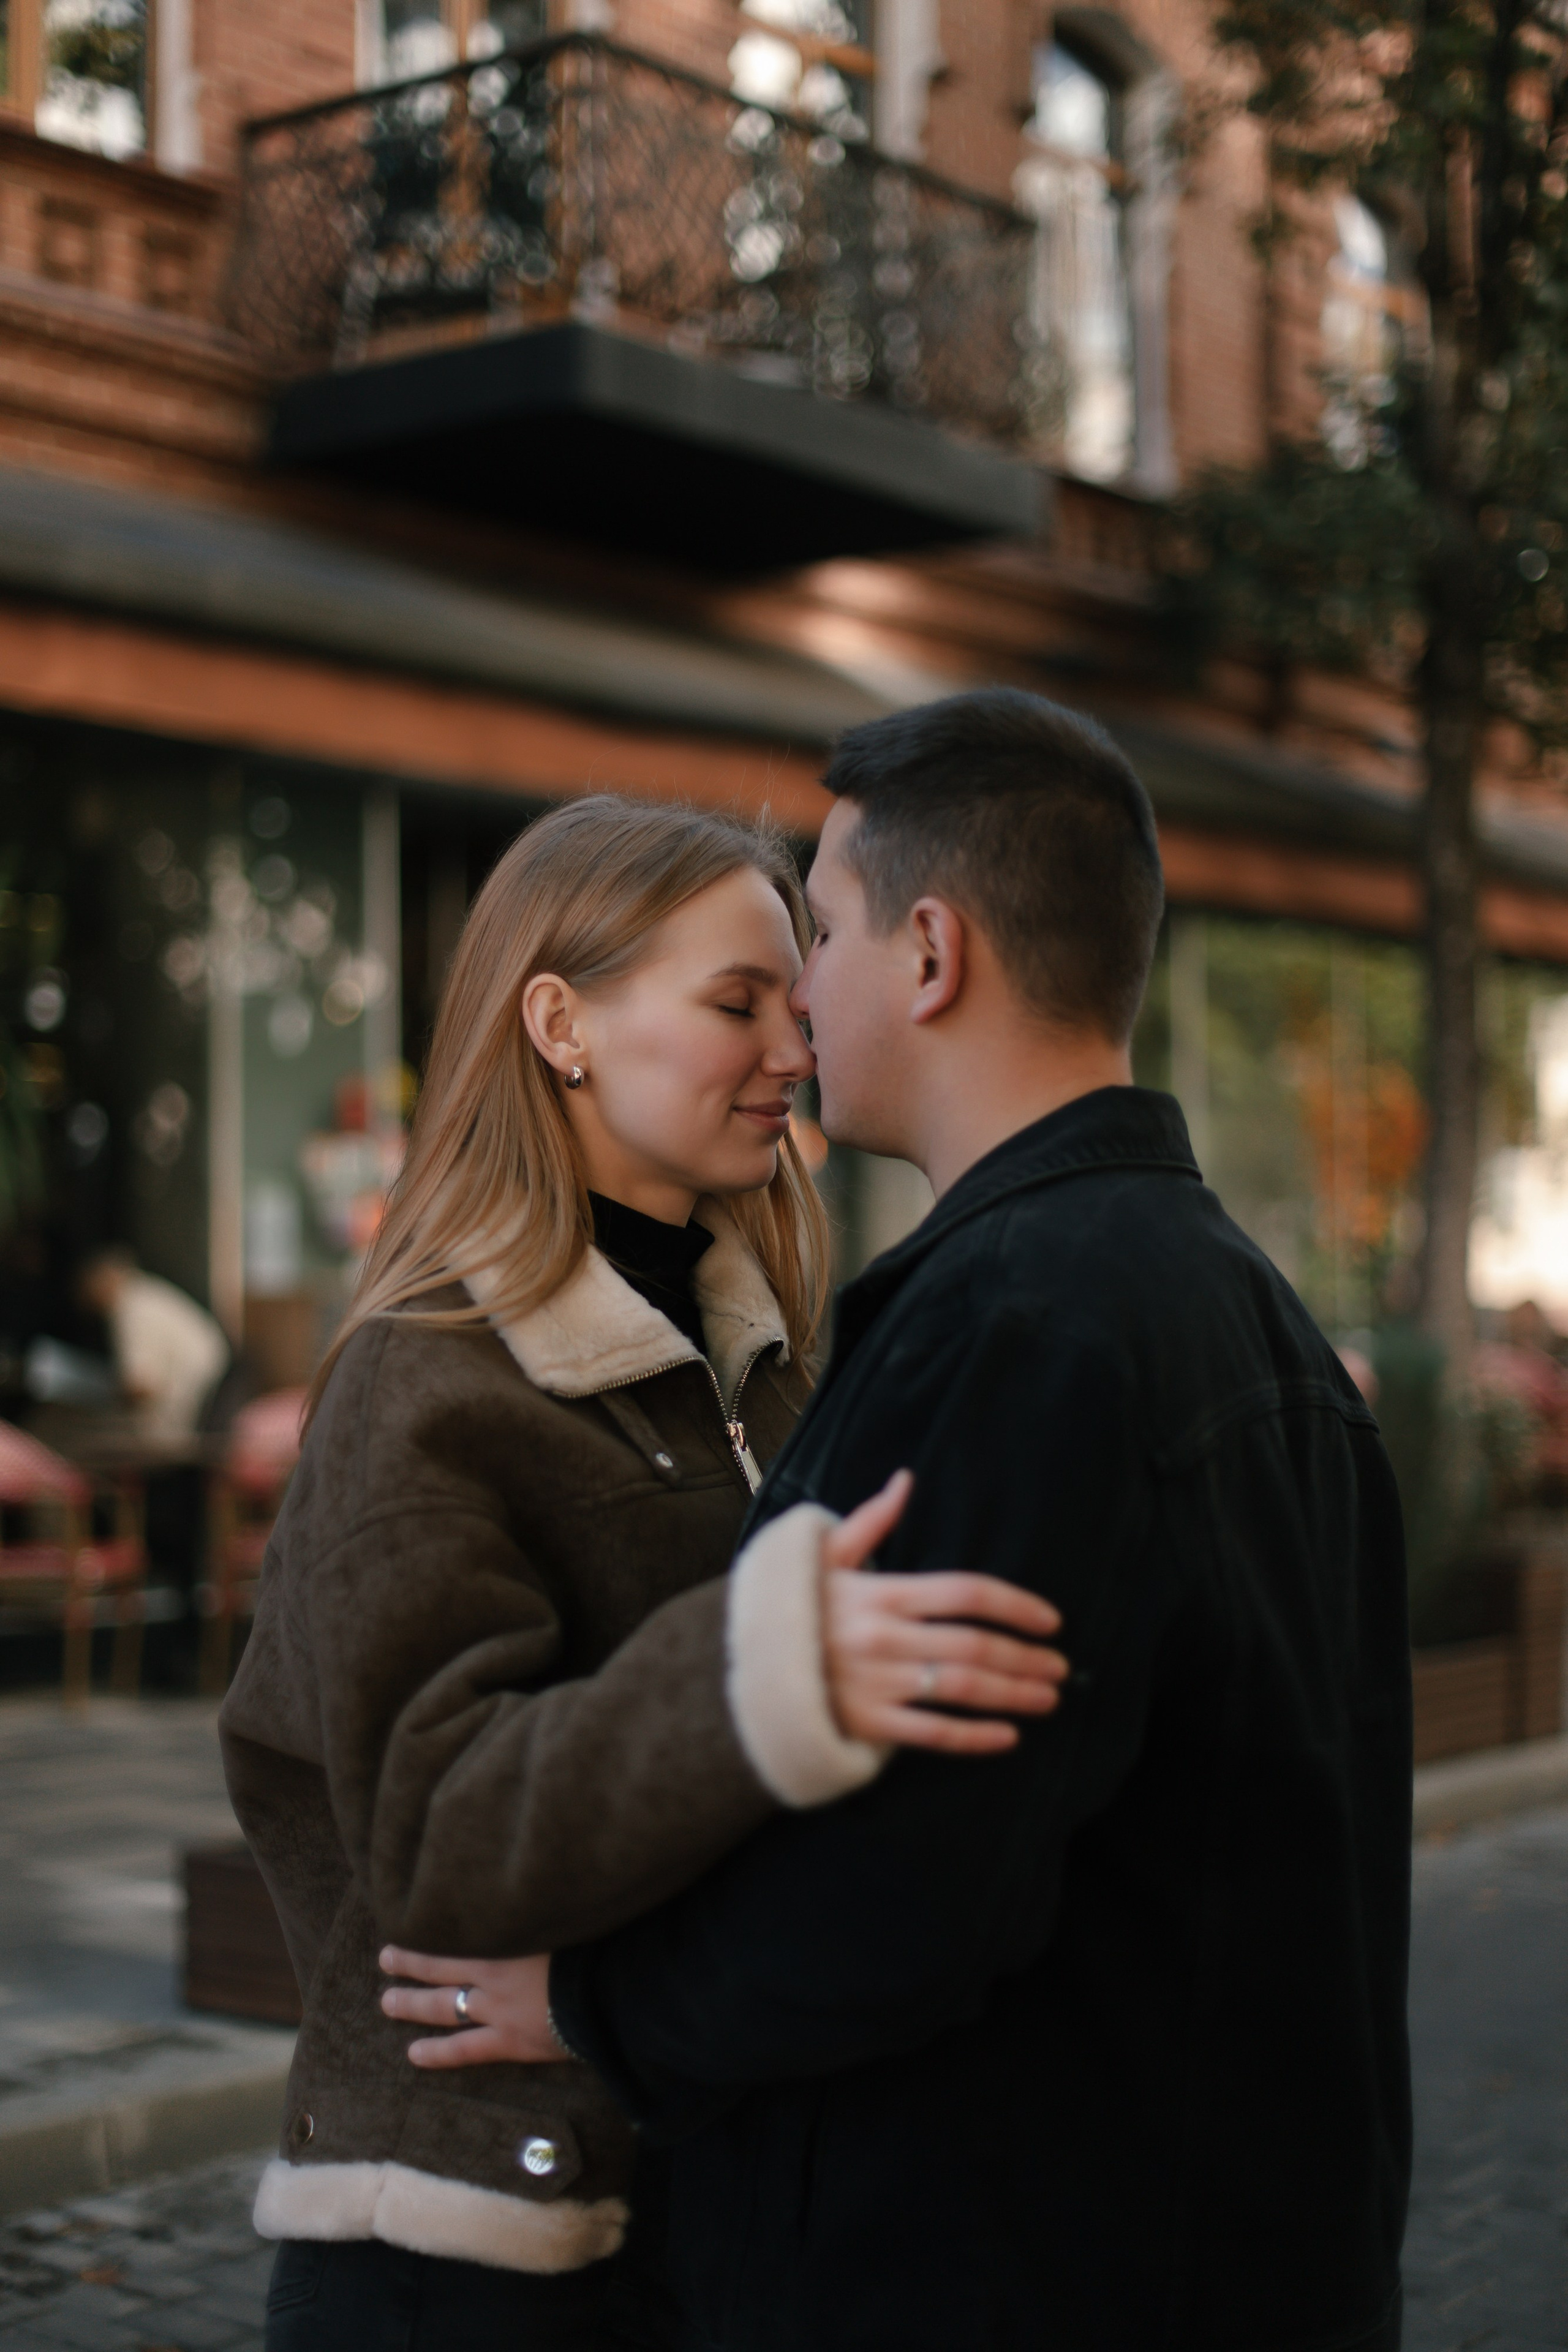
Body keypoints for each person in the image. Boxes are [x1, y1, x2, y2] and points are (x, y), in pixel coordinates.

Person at [389, 691, 1414, 2352]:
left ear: (930, 955)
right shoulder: (1250, 1316)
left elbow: (904, 1890)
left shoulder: (1023, 1326)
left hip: (1001, 2274)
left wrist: (589, 2003)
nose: (804, 997)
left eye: (825, 928)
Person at [218, 796, 1067, 2352]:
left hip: (707, 2205)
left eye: (793, 1006)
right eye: (734, 1004)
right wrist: (764, 1670)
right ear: (561, 1022)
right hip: (473, 2251)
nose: (792, 1051)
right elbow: (430, 1828)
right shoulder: (428, 1376)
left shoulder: (769, 1363)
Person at [78, 1245, 228, 1439]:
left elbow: (142, 1384)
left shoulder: (131, 1308)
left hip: (193, 1407)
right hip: (208, 1394)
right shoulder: (145, 1293)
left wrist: (100, 1395)